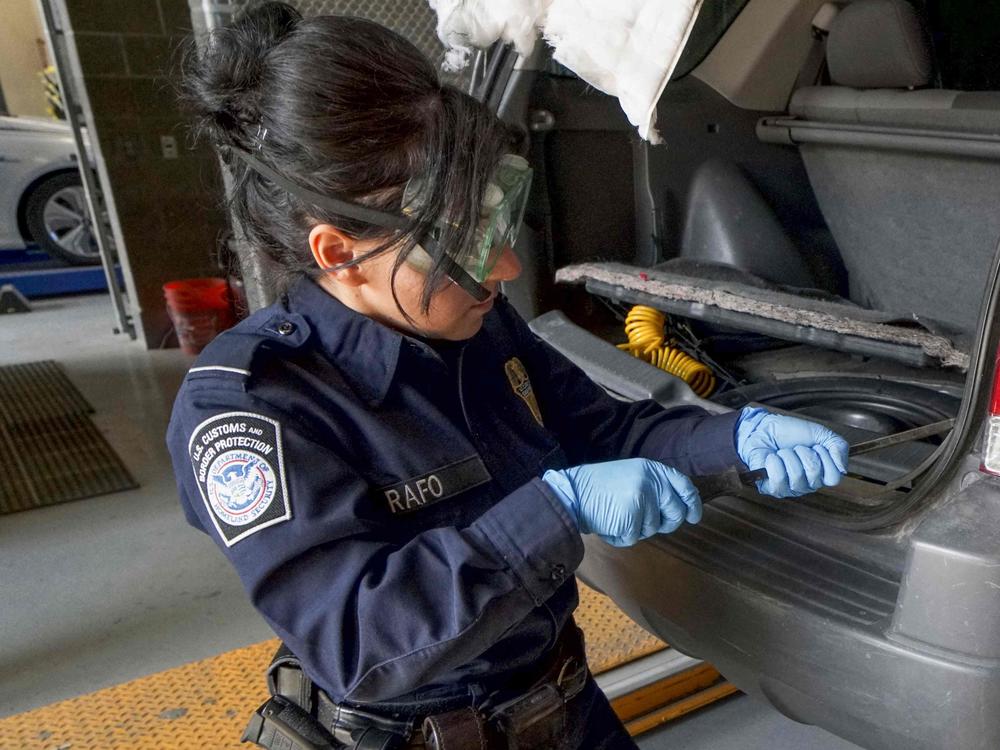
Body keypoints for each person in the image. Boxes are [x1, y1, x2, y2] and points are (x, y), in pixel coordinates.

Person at [166, 3, 849, 748]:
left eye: (495, 219)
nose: (508, 267)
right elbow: (359, 641)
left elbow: (604, 430)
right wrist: (557, 509)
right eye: (460, 242)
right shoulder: (251, 406)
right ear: (337, 253)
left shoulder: (473, 322)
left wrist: (734, 442)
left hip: (565, 707)